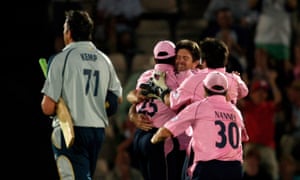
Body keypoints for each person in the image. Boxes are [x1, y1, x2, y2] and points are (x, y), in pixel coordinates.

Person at [40, 10, 123, 180]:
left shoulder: (60, 58)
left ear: (68, 32)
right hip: (96, 132)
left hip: (70, 131)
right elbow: (116, 99)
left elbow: (47, 107)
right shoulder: (103, 59)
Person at [151, 71, 248, 179]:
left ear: (205, 90)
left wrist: (153, 139)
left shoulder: (199, 107)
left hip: (208, 168)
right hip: (234, 169)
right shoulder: (236, 112)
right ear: (225, 91)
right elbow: (243, 138)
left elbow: (166, 131)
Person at [127, 39, 201, 180]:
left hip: (140, 137)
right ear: (173, 58)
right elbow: (173, 102)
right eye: (178, 57)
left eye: (184, 58)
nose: (180, 61)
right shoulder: (182, 77)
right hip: (162, 138)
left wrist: (133, 112)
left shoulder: (146, 75)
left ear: (155, 58)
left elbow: (135, 96)